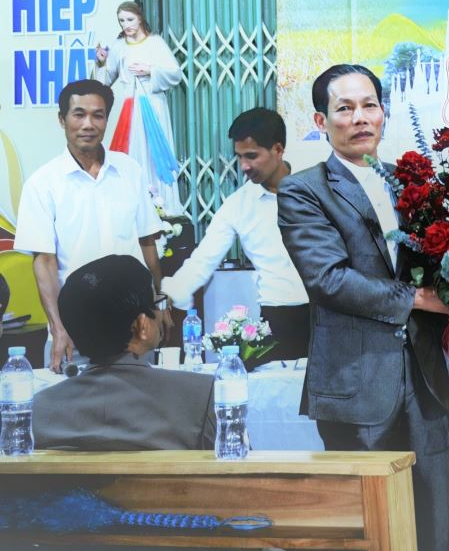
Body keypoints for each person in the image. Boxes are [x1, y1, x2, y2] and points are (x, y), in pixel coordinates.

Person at [276, 64, 449, 551]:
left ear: (383, 112)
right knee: (366, 529)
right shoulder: (303, 190)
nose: (360, 118)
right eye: (345, 108)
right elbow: (328, 279)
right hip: (355, 384)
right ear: (321, 121)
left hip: (425, 381)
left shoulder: (411, 183)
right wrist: (418, 298)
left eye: (369, 105)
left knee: (433, 522)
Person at [13, 79, 164, 373]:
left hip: (135, 328)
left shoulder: (130, 171)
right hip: (77, 330)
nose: (88, 124)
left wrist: (160, 304)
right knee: (75, 401)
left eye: (98, 115)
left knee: (138, 399)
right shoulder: (42, 184)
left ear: (107, 119)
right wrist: (59, 328)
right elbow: (44, 262)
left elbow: (147, 243)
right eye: (79, 114)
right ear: (62, 119)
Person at [162, 108, 310, 363]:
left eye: (252, 156)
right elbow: (203, 260)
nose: (244, 166)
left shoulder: (316, 189)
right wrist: (168, 295)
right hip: (277, 319)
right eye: (239, 157)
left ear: (278, 149)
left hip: (328, 315)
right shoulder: (238, 205)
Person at [32, 254, 216, 450]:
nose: (161, 312)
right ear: (142, 326)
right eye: (157, 303)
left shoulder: (39, 410)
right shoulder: (201, 396)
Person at [93, 0, 185, 214]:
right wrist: (101, 63)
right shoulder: (119, 46)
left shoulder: (155, 43)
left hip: (153, 105)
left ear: (140, 18)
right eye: (122, 21)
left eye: (130, 19)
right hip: (129, 107)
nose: (126, 25)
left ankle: (162, 206)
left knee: (154, 154)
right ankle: (132, 206)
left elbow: (175, 73)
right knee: (131, 153)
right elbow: (104, 82)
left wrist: (150, 70)